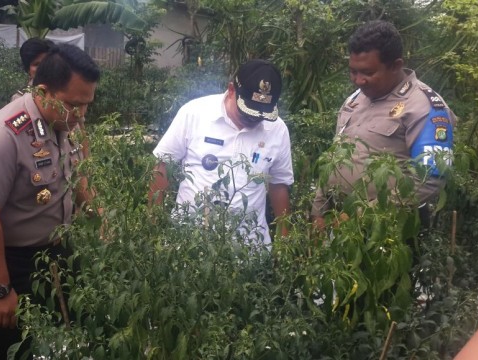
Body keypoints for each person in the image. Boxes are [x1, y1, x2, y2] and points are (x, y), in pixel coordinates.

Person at [0, 43, 100, 359]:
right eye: (73, 105)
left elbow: (80, 173)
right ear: (42, 91)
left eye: (86, 105)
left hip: (55, 248)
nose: (80, 114)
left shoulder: (67, 122)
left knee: (62, 328)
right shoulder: (3, 135)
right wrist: (0, 289)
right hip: (9, 257)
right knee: (16, 344)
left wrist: (98, 215)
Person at [311, 20, 455, 229]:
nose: (359, 80)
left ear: (396, 65)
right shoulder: (354, 101)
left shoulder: (424, 107)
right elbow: (334, 158)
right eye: (353, 71)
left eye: (368, 73)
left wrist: (362, 215)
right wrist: (318, 212)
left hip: (388, 235)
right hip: (339, 224)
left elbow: (429, 179)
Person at [149, 59, 293, 244]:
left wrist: (284, 240)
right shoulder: (194, 113)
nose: (254, 119)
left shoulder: (277, 129)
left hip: (250, 250)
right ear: (232, 90)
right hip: (189, 246)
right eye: (247, 112)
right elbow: (162, 165)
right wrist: (152, 225)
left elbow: (279, 184)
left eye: (261, 114)